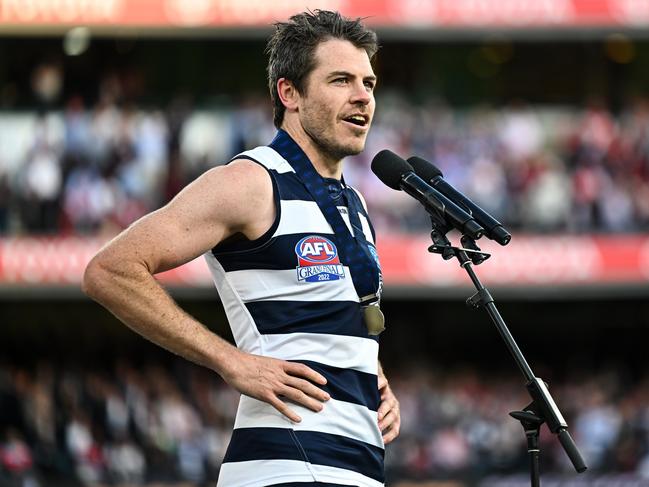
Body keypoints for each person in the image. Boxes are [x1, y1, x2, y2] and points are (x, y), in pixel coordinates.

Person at [83, 9, 400, 487]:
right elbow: (109, 270)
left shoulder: (352, 202)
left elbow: (323, 320)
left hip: (356, 467)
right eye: (340, 80)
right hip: (286, 466)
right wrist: (231, 361)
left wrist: (370, 370)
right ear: (288, 93)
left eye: (369, 83)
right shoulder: (251, 182)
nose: (362, 96)